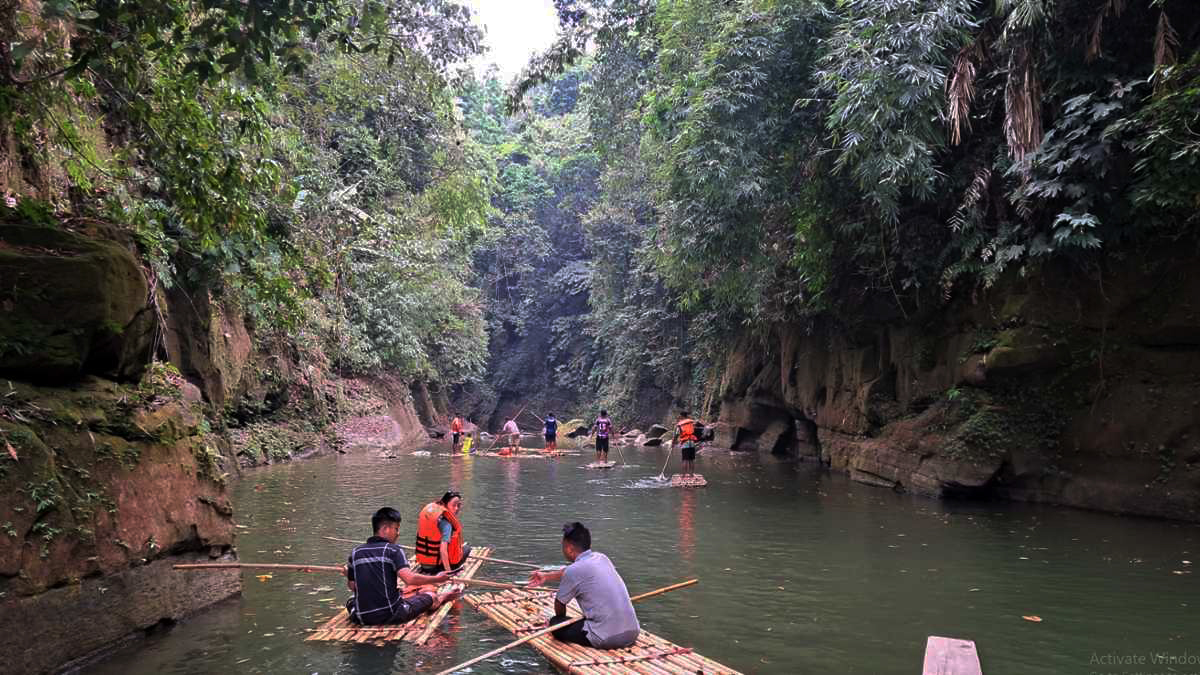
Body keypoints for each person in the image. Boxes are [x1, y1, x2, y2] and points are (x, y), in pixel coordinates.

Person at [527, 522, 640, 649]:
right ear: (589, 545)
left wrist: (560, 620)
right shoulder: (602, 558)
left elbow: (559, 604)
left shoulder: (573, 571)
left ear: (569, 549)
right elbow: (570, 571)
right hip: (633, 632)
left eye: (563, 546)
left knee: (555, 623)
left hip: (607, 638)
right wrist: (547, 576)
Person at [344, 507, 458, 625]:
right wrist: (438, 578)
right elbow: (409, 579)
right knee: (431, 596)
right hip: (391, 614)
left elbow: (353, 586)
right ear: (385, 529)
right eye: (396, 529)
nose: (398, 533)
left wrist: (352, 574)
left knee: (351, 601)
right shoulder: (393, 550)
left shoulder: (355, 552)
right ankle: (442, 598)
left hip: (362, 617)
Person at [415, 491, 473, 574]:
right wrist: (448, 572)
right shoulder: (446, 524)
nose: (456, 508)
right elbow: (443, 550)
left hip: (423, 564)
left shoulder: (431, 514)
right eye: (454, 505)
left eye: (458, 505)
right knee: (467, 548)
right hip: (437, 567)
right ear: (445, 504)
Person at [672, 411, 701, 477]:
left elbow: (676, 435)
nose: (679, 417)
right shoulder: (691, 423)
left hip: (685, 443)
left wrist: (673, 443)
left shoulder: (680, 425)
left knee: (685, 460)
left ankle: (683, 475)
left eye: (679, 415)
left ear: (681, 416)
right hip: (692, 442)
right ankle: (691, 474)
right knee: (691, 459)